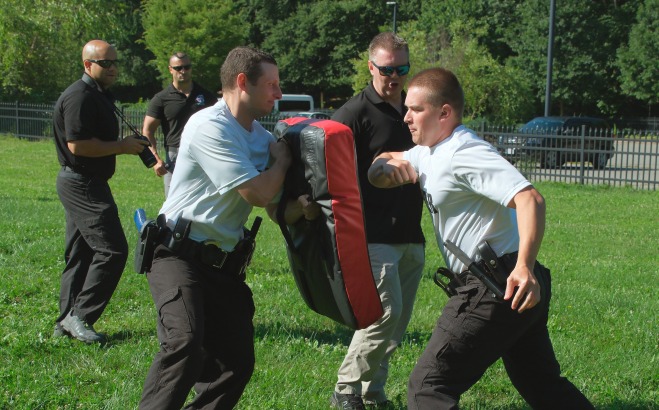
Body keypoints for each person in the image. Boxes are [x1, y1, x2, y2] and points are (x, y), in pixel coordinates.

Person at [368, 67, 595, 409]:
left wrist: (524, 267)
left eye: (416, 110)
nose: (406, 117)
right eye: (407, 108)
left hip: (498, 283)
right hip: (501, 283)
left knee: (428, 387)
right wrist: (381, 170)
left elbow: (530, 199)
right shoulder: (429, 151)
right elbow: (385, 161)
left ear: (444, 112)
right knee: (542, 385)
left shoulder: (464, 152)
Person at [139, 46, 290, 410]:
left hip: (223, 266)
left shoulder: (259, 137)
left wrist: (301, 210)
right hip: (178, 255)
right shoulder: (210, 125)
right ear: (242, 83)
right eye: (271, 84)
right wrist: (282, 163)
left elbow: (272, 205)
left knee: (234, 364)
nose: (278, 93)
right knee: (185, 345)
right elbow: (256, 192)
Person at [329, 32, 425, 409]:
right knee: (385, 316)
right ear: (371, 67)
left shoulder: (413, 109)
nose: (395, 77)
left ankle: (373, 392)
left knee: (397, 326)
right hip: (371, 234)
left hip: (410, 234)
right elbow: (322, 163)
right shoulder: (354, 114)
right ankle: (346, 387)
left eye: (402, 69)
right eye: (387, 69)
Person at [53, 39, 149, 343]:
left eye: (115, 62)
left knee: (80, 254)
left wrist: (125, 143)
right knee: (113, 250)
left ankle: (63, 325)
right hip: (82, 183)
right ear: (87, 64)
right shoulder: (80, 96)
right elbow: (78, 145)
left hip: (86, 181)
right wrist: (121, 147)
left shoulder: (99, 95)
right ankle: (80, 317)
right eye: (104, 63)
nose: (112, 69)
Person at [142, 52, 218, 197]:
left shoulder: (206, 96)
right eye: (178, 68)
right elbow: (147, 131)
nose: (183, 71)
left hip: (203, 152)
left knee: (202, 201)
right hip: (175, 155)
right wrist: (155, 159)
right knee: (172, 206)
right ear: (170, 69)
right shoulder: (161, 98)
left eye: (187, 67)